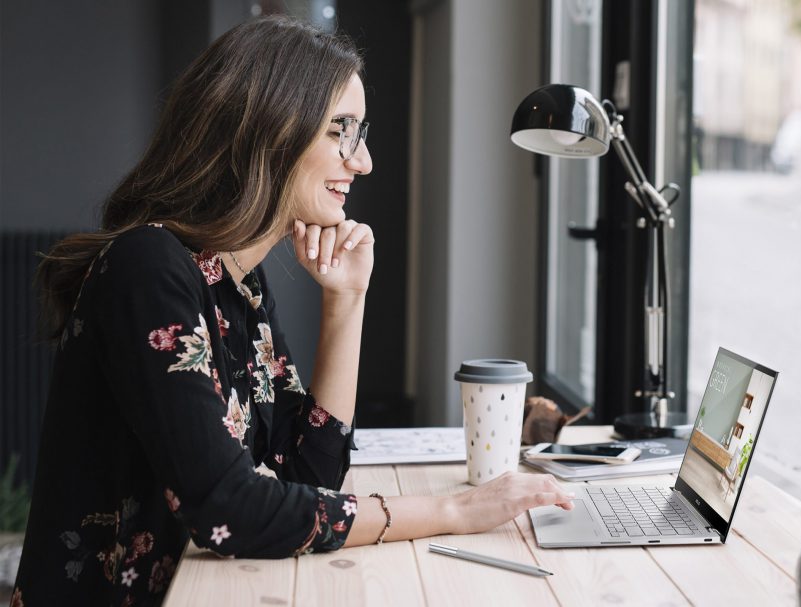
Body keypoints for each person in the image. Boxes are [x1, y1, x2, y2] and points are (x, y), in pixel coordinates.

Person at [12, 16, 573, 606]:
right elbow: (228, 510)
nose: (364, 162)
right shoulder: (149, 267)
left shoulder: (238, 283)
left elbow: (308, 475)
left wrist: (345, 300)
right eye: (342, 130)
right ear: (267, 131)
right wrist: (454, 510)